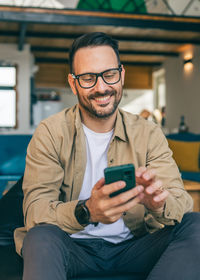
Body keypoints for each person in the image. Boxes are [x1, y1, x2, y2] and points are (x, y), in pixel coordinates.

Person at [14, 32, 200, 280]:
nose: (101, 88)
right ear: (73, 83)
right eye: (88, 78)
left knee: (195, 225)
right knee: (39, 237)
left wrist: (158, 204)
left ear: (121, 75)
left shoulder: (148, 133)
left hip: (135, 247)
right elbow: (36, 212)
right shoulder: (50, 133)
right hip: (73, 248)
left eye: (109, 75)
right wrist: (87, 212)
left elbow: (181, 203)